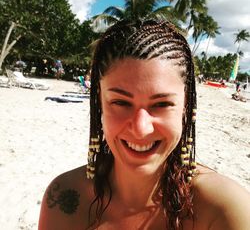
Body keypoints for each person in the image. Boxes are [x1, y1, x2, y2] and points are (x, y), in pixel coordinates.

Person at [39, 19, 250, 230]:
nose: (141, 128)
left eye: (162, 104)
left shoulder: (227, 210)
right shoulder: (63, 199)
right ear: (99, 104)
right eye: (121, 102)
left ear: (186, 108)